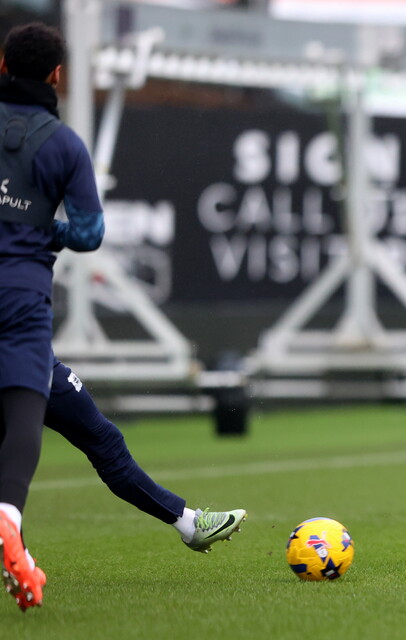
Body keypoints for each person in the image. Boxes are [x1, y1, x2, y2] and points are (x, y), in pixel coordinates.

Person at [0, 22, 103, 610]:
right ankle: (8, 517)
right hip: (21, 297)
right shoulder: (64, 145)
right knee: (23, 417)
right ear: (57, 75)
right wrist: (45, 228)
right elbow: (89, 233)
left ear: (3, 64)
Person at [44, 360, 246, 553]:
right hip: (34, 359)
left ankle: (20, 558)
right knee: (106, 443)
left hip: (31, 360)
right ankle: (190, 525)